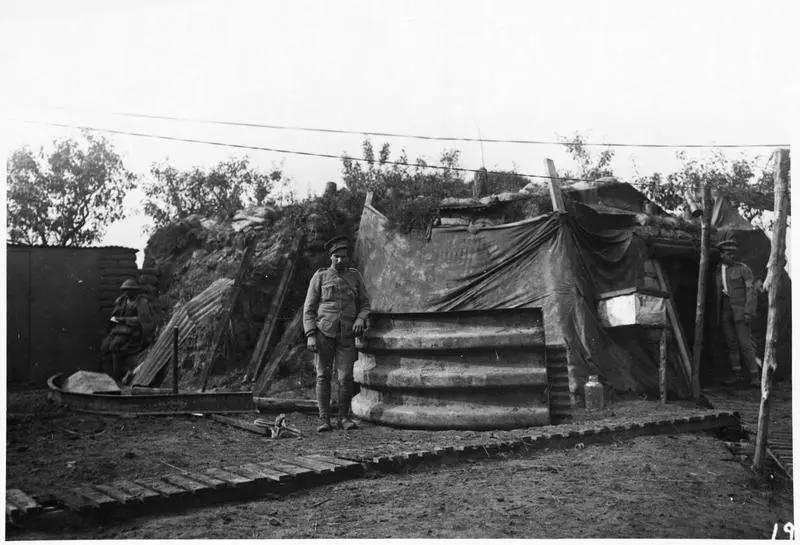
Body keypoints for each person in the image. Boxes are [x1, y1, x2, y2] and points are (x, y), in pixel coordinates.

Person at [303, 235, 370, 432]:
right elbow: (309, 309)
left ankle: (344, 417)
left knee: (346, 377)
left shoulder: (355, 276)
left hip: (347, 335)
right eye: (337, 257)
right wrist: (310, 335)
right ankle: (324, 419)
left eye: (344, 256)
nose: (341, 260)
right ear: (330, 257)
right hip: (324, 333)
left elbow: (365, 304)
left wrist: (360, 319)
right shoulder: (320, 277)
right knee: (323, 375)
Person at [713, 237, 759, 387]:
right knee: (731, 343)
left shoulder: (743, 269)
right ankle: (737, 374)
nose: (732, 256)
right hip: (725, 311)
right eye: (728, 253)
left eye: (734, 253)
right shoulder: (717, 270)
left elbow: (751, 291)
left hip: (740, 311)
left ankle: (754, 376)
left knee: (745, 345)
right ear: (721, 254)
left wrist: (748, 312)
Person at [100, 278, 155, 381]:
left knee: (115, 346)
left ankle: (118, 376)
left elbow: (142, 320)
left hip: (133, 331)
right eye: (125, 290)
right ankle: (109, 375)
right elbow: (116, 313)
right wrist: (115, 320)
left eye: (129, 290)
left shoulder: (141, 302)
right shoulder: (122, 300)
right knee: (104, 347)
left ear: (135, 290)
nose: (126, 292)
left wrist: (124, 320)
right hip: (119, 329)